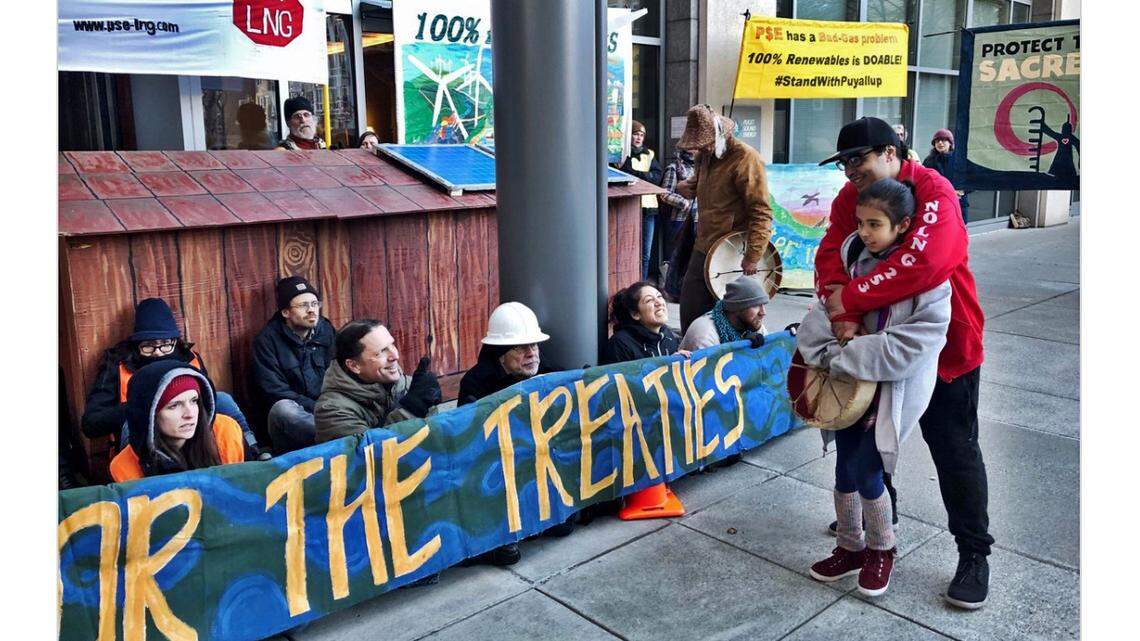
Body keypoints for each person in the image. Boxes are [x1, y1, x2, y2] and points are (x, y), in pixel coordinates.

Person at [816, 116, 992, 609]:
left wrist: (847, 301)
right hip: (868, 349)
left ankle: (974, 553)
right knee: (869, 444)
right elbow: (831, 252)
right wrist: (837, 302)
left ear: (893, 153)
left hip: (944, 350)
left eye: (860, 159)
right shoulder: (850, 198)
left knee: (954, 452)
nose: (850, 170)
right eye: (844, 163)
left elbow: (928, 262)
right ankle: (875, 533)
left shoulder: (934, 190)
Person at [798, 178, 951, 598]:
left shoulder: (930, 276)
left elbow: (922, 339)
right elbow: (821, 314)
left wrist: (849, 352)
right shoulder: (852, 260)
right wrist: (832, 352)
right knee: (845, 466)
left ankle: (881, 549)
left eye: (875, 224)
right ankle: (849, 547)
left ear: (903, 225)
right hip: (848, 391)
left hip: (890, 390)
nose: (864, 232)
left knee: (869, 470)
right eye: (861, 222)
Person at [81, 297, 265, 459]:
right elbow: (91, 424)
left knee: (223, 399)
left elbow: (207, 401)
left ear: (175, 342)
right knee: (133, 423)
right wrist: (141, 407)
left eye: (165, 345)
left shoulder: (189, 358)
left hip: (193, 438)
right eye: (149, 346)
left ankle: (253, 450)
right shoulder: (117, 363)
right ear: (136, 345)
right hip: (140, 443)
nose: (158, 353)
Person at [457, 302, 571, 562]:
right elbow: (472, 443)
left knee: (564, 527)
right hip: (499, 465)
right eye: (521, 347)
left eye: (534, 345)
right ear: (501, 353)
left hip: (539, 459)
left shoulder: (547, 371)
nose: (531, 353)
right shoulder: (476, 382)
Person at [674, 104, 773, 332]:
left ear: (720, 134)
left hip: (733, 250)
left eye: (704, 143)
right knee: (691, 308)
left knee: (737, 316)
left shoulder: (746, 158)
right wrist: (685, 187)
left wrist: (753, 255)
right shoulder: (705, 157)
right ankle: (693, 357)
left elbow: (761, 210)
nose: (700, 149)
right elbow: (698, 185)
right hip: (704, 244)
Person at [109, 360, 246, 482]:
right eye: (174, 405)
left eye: (194, 401)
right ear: (150, 416)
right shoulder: (123, 468)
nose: (190, 414)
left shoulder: (226, 432)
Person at [314, 320, 440, 443]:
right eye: (381, 352)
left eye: (392, 344)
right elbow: (370, 455)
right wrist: (410, 411)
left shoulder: (405, 384)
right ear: (354, 366)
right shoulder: (332, 410)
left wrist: (429, 404)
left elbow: (436, 439)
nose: (395, 355)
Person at [252, 276, 336, 454]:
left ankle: (344, 433)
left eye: (314, 304)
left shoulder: (326, 331)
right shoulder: (267, 341)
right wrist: (319, 408)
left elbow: (342, 371)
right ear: (285, 313)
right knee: (283, 409)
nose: (312, 310)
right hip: (296, 421)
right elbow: (274, 392)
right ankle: (343, 435)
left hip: (331, 410)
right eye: (303, 305)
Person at [619, 121, 664, 280]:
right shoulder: (622, 154)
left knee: (645, 252)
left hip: (649, 208)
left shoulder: (649, 154)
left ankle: (642, 283)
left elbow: (657, 178)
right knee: (627, 248)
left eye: (641, 135)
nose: (638, 137)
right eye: (635, 134)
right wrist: (645, 177)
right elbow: (625, 174)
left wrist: (637, 176)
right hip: (628, 206)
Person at [602, 282, 685, 364]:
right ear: (635, 314)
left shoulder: (667, 336)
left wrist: (676, 363)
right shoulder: (620, 345)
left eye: (659, 296)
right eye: (649, 300)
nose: (659, 303)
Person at [679, 276, 769, 352]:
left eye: (763, 305)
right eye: (755, 306)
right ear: (737, 307)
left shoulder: (752, 325)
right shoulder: (706, 335)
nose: (763, 312)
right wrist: (744, 351)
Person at [659, 148, 698, 300]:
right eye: (691, 148)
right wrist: (683, 202)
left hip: (697, 219)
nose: (693, 151)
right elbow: (664, 193)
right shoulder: (674, 168)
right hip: (680, 219)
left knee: (691, 258)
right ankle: (671, 291)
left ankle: (684, 292)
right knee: (676, 257)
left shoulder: (700, 168)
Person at [922, 129, 970, 224]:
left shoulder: (960, 160)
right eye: (937, 141)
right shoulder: (929, 161)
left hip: (958, 204)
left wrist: (962, 190)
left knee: (958, 233)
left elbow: (972, 180)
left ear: (950, 143)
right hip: (938, 204)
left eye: (943, 140)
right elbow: (923, 181)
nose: (940, 143)